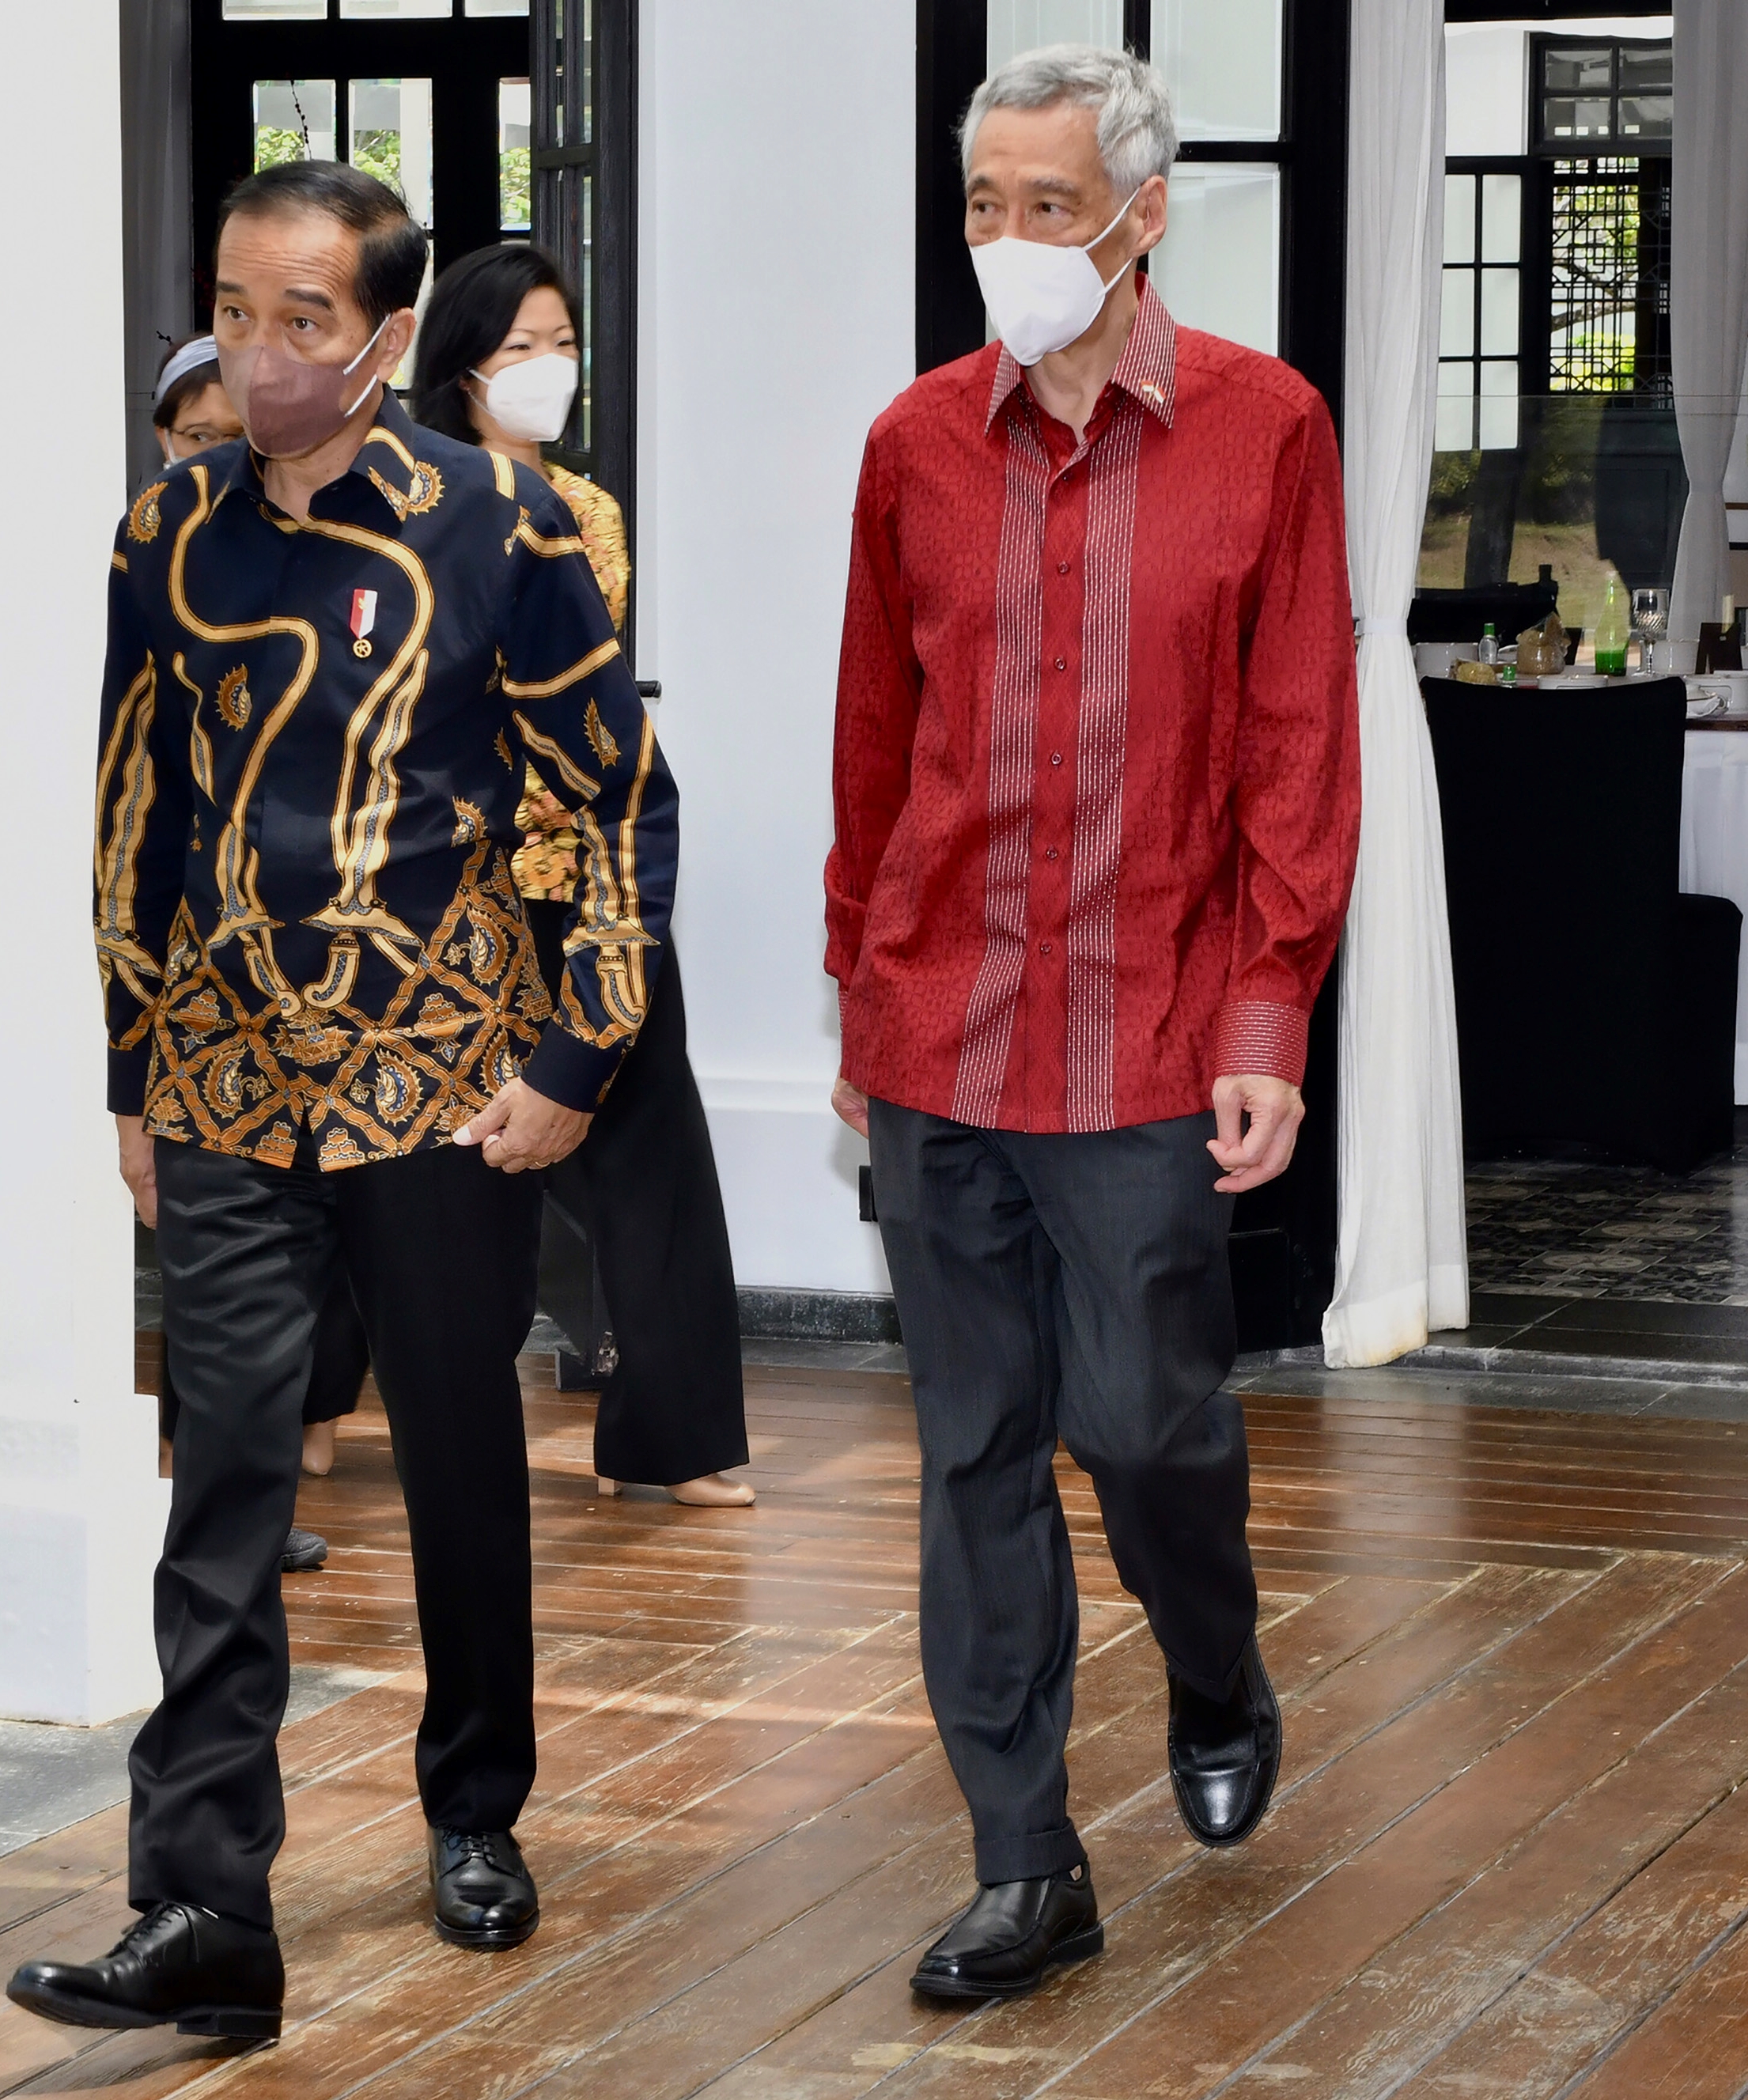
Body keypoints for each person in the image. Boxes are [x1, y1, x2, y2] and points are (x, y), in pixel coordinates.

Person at [8, 160, 675, 2041]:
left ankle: (475, 1805)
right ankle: (202, 1901)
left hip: (444, 1082)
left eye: (303, 317)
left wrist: (576, 1052)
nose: (258, 348)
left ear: (387, 339)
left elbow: (614, 792)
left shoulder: (506, 525)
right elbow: (133, 807)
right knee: (224, 1477)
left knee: (460, 1458)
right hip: (225, 1075)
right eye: (232, 306)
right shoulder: (165, 529)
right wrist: (133, 1060)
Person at [826, 47, 1357, 2000]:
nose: (1005, 241)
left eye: (1043, 206)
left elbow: (1300, 738)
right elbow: (870, 742)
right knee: (971, 1446)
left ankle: (1212, 1670)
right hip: (934, 1030)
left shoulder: (1261, 428)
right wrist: (855, 983)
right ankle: (1020, 1855)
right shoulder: (909, 445)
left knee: (1145, 1424)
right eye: (981, 202)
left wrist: (1268, 1006)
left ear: (1140, 216)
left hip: (1148, 1031)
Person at [414, 242, 754, 1510]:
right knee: (409, 1151)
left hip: (587, 870)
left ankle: (680, 1439)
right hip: (443, 884)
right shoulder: (401, 506)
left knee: (653, 1145)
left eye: (562, 345)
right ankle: (315, 1411)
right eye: (520, 351)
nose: (549, 370)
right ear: (458, 370)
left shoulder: (585, 512)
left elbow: (567, 705)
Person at [146, 331, 350, 1569]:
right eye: (194, 438)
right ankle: (216, 1505)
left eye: (235, 437)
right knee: (214, 1279)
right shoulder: (149, 558)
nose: (216, 459)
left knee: (285, 1273)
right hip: (186, 974)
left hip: (324, 970)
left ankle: (253, 1496)